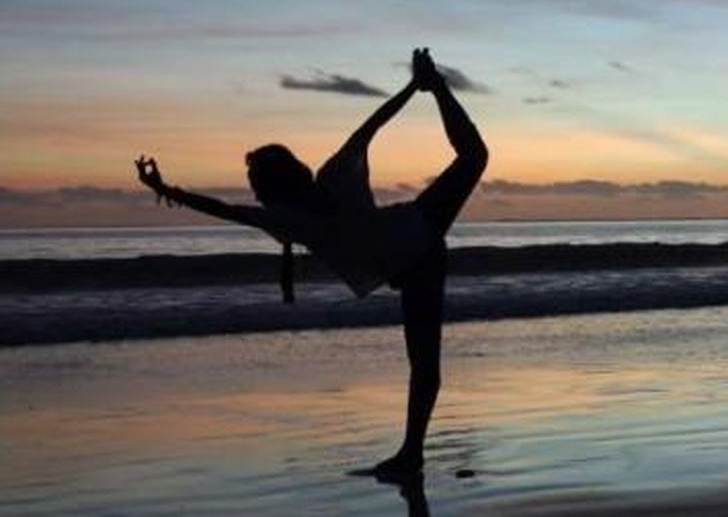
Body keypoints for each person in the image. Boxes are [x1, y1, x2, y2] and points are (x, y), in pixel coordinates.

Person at [135, 48, 487, 482]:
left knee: (425, 366)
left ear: (274, 185)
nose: (255, 194)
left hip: (416, 244)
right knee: (473, 158)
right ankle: (410, 456)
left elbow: (227, 208)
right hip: (416, 240)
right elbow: (372, 124)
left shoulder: (319, 191)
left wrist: (164, 187)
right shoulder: (304, 204)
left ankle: (411, 456)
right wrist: (413, 88)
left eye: (256, 185)